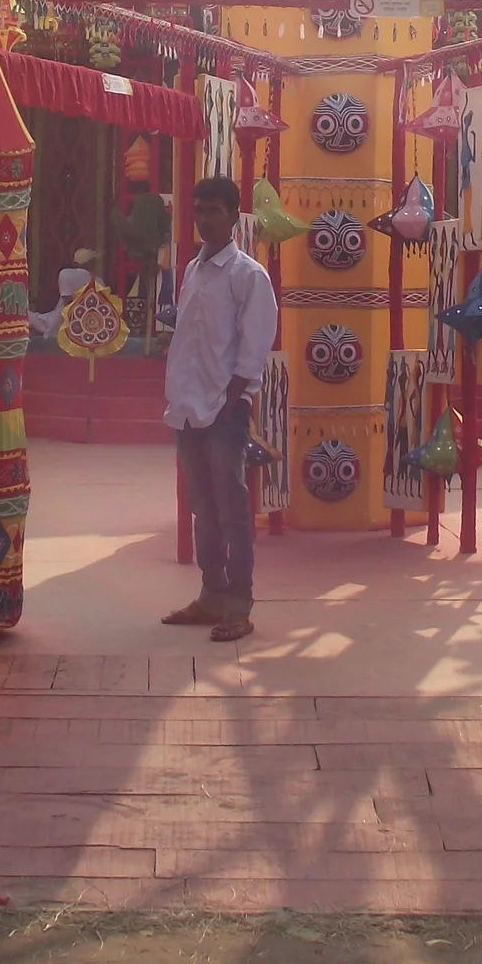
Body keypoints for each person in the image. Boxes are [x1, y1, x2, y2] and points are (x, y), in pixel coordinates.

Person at [160, 173, 277, 643]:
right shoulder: (192, 270)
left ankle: (239, 606)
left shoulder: (248, 275)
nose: (205, 219)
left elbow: (255, 347)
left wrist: (233, 402)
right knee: (202, 508)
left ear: (233, 217)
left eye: (214, 211)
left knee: (232, 511)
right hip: (186, 407)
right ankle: (211, 595)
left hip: (223, 410)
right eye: (199, 210)